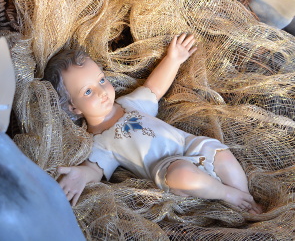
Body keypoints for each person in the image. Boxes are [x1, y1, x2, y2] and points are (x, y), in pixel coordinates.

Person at [43, 34, 263, 212]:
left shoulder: (129, 103)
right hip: (167, 166)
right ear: (74, 108)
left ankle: (245, 198)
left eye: (101, 80)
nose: (102, 92)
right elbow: (95, 168)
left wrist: (173, 59)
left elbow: (154, 88)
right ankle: (227, 194)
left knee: (221, 154)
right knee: (182, 176)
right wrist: (81, 175)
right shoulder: (99, 142)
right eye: (88, 91)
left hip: (188, 144)